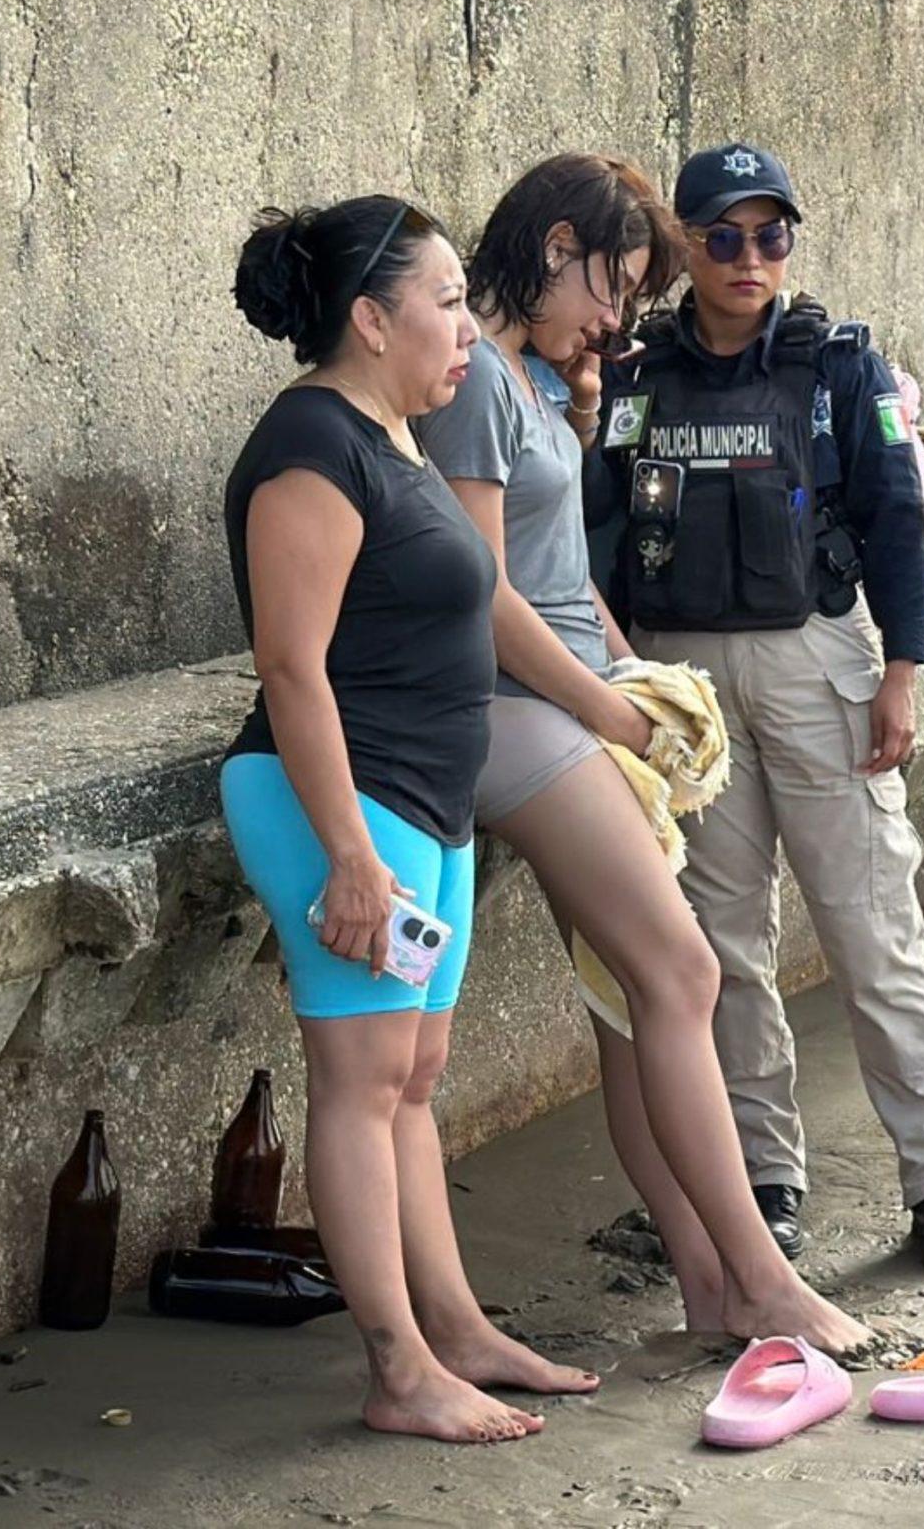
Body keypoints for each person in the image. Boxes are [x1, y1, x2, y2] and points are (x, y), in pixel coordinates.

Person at [418, 153, 890, 1360]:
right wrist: (607, 705)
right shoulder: (473, 373)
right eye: (611, 285)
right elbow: (481, 592)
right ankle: (762, 1280)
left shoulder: (526, 376)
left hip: (574, 697)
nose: (616, 318)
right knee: (681, 977)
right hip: (518, 712)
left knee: (633, 1013)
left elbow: (564, 580)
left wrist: (630, 674)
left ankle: (709, 1285)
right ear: (557, 245)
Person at [220, 194, 598, 1445]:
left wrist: (615, 708)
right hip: (339, 801)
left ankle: (455, 1329)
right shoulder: (307, 449)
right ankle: (396, 1369)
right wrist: (347, 858)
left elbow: (474, 603)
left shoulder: (391, 434)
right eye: (446, 305)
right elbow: (291, 669)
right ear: (371, 319)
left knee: (414, 1076)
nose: (469, 334)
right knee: (360, 1076)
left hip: (421, 802)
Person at [586, 142, 924, 1273]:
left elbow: (892, 515)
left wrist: (902, 671)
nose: (749, 257)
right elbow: (597, 536)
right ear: (685, 249)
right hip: (683, 682)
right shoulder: (632, 378)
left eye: (770, 236)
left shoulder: (837, 369)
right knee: (723, 944)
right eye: (722, 236)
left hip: (819, 662)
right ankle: (764, 1182)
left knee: (874, 931)